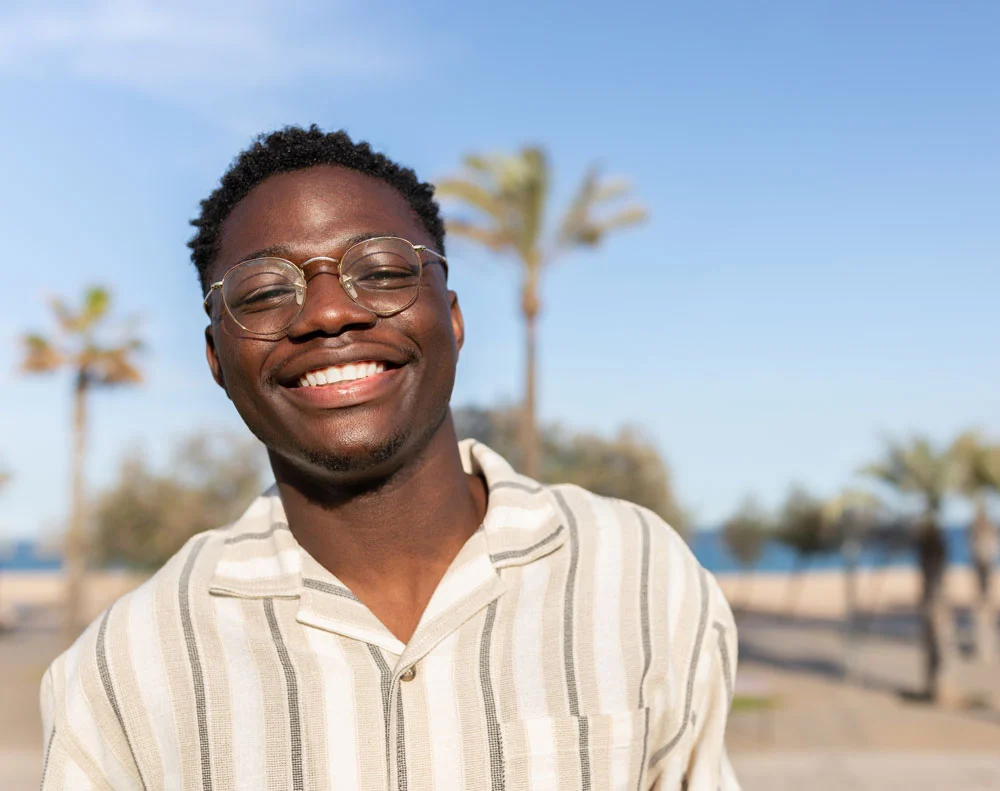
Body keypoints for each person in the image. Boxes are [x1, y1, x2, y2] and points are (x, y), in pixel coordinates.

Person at [39, 126, 740, 790]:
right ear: (217, 359)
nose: (327, 312)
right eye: (262, 292)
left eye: (378, 271)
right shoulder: (128, 668)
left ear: (454, 318)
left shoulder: (641, 577)